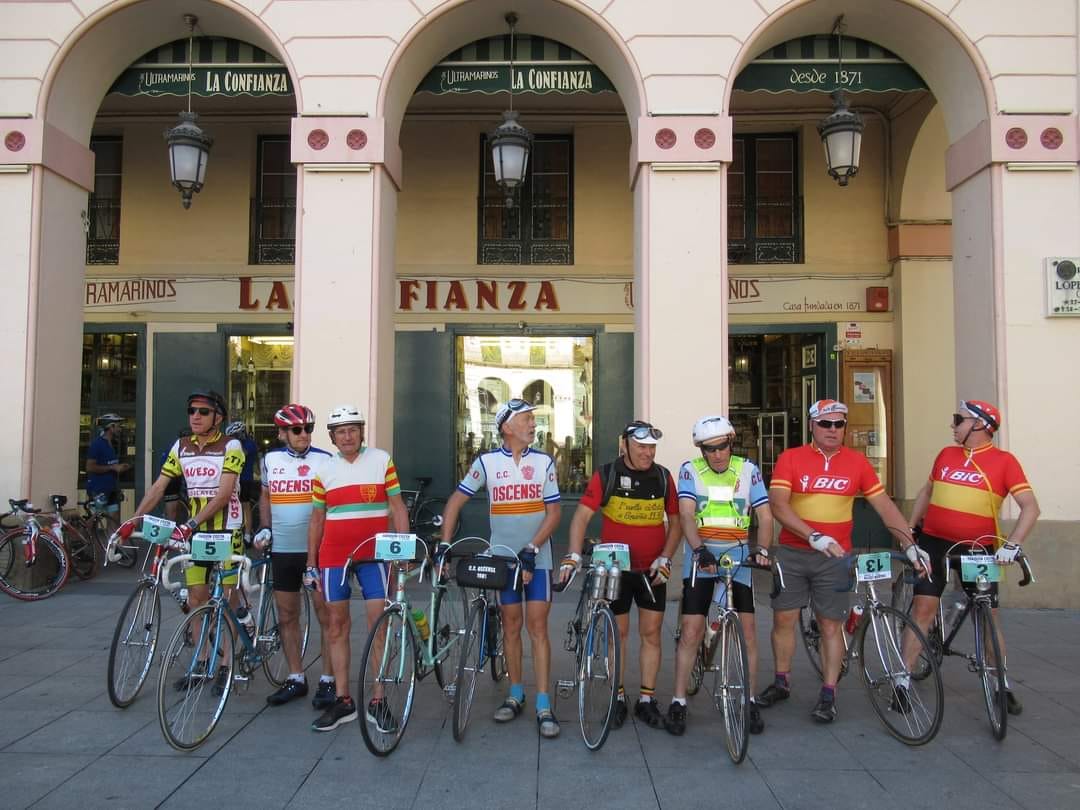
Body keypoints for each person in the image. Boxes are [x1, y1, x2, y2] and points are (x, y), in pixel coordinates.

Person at [758, 399, 929, 724]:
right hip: (794, 553)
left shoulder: (857, 462)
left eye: (839, 424)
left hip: (836, 558)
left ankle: (828, 692)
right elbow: (779, 505)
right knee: (783, 620)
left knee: (830, 625)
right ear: (812, 425)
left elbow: (885, 508)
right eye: (826, 424)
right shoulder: (791, 458)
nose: (833, 430)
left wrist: (910, 546)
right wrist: (812, 535)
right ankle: (781, 681)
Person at [904, 399, 1039, 715]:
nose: (953, 425)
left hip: (979, 549)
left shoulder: (1005, 462)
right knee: (922, 608)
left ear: (979, 425)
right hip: (933, 544)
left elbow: (1031, 507)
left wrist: (1013, 544)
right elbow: (927, 491)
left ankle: (1000, 683)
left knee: (988, 616)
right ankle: (901, 678)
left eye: (958, 419)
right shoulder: (946, 454)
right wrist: (910, 527)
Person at [441, 398, 562, 738]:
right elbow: (455, 501)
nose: (532, 424)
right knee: (511, 626)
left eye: (532, 419)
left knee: (537, 627)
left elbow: (554, 513)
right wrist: (443, 544)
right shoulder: (487, 462)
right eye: (526, 419)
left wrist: (533, 547)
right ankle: (515, 693)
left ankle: (543, 702)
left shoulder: (544, 462)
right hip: (503, 560)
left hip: (536, 559)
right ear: (507, 427)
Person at [561, 420, 680, 732]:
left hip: (652, 570)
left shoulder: (664, 477)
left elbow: (677, 522)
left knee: (652, 634)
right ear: (624, 445)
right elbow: (581, 518)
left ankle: (647, 700)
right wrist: (573, 555)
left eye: (652, 447)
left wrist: (666, 557)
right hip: (616, 570)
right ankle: (618, 698)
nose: (647, 452)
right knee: (618, 635)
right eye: (641, 446)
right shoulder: (607, 474)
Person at [663, 415, 773, 736]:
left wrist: (763, 549)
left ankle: (749, 700)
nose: (717, 454)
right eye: (709, 449)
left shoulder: (748, 470)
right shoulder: (690, 470)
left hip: (737, 558)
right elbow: (685, 514)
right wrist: (698, 549)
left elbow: (765, 516)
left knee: (748, 632)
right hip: (703, 557)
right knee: (691, 631)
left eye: (722, 446)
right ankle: (679, 701)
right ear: (701, 450)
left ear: (731, 441)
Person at [306, 404, 409, 732]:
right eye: (340, 431)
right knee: (336, 625)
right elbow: (318, 518)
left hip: (374, 553)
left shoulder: (381, 460)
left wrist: (404, 547)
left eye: (352, 429)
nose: (347, 436)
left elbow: (397, 505)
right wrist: (311, 562)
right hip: (334, 554)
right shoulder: (323, 469)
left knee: (379, 622)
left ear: (361, 432)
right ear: (333, 437)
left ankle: (378, 700)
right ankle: (343, 700)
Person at [127, 390, 246, 660]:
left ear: (218, 417)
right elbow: (159, 486)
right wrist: (133, 519)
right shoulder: (181, 446)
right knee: (196, 597)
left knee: (228, 597)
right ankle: (202, 659)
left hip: (227, 529)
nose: (195, 416)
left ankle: (227, 663)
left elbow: (224, 493)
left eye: (203, 411)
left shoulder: (231, 446)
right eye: (192, 410)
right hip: (197, 532)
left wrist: (189, 523)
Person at [254, 404, 334, 709]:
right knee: (287, 615)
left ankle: (328, 680)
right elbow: (266, 495)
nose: (304, 435)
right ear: (282, 433)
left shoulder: (325, 460)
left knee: (324, 615)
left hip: (317, 551)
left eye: (308, 429)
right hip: (284, 550)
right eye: (297, 430)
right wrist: (264, 527)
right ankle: (296, 677)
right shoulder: (270, 460)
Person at [85, 413, 131, 531]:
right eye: (118, 426)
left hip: (111, 488)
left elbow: (110, 464)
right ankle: (85, 542)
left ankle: (112, 547)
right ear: (111, 427)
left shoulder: (112, 444)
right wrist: (112, 468)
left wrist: (120, 467)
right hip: (98, 488)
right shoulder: (97, 444)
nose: (120, 429)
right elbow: (90, 467)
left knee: (114, 518)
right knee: (95, 519)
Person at [225, 421, 261, 546]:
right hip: (234, 479)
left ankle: (247, 535)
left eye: (234, 436)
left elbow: (241, 454)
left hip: (245, 479)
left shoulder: (249, 444)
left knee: (245, 507)